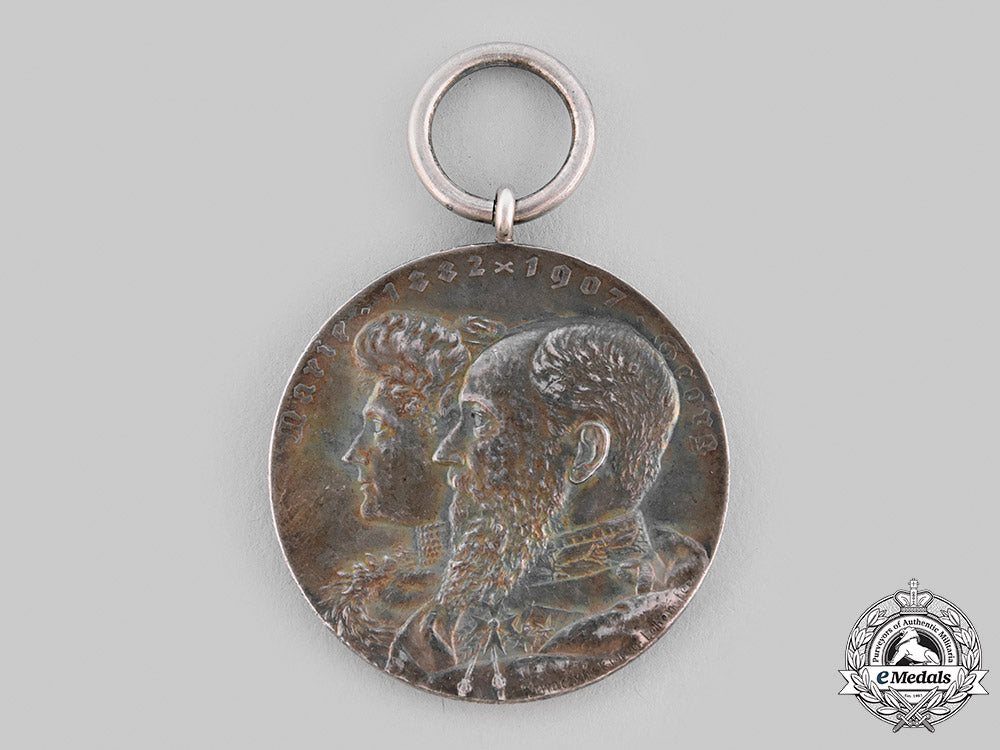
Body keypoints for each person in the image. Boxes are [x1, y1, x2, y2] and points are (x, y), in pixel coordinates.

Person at [387, 318, 707, 700]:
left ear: (586, 452)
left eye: (479, 420)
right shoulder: (432, 631)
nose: (445, 452)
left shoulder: (659, 604)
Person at [325, 311, 469, 666]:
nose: (353, 454)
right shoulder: (386, 597)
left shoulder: (474, 617)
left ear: (445, 443)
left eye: (379, 428)